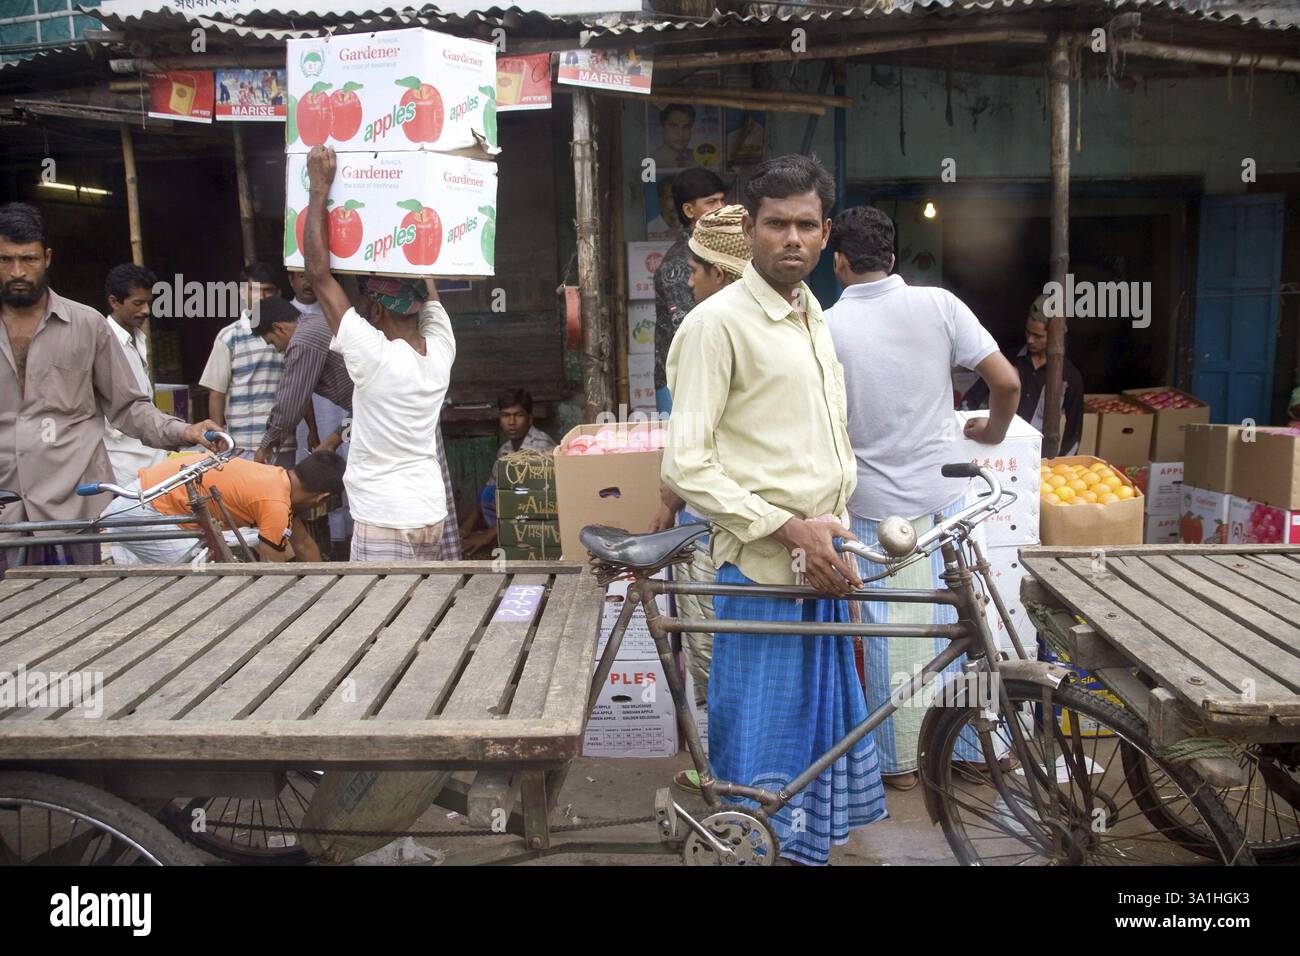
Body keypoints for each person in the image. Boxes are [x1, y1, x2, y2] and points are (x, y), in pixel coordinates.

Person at [662, 155, 886, 866]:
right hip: (763, 574)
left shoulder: (812, 313)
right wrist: (789, 526)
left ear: (826, 236)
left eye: (806, 224)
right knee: (760, 757)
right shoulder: (716, 324)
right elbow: (686, 465)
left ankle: (792, 857)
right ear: (751, 232)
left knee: (814, 752)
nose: (792, 238)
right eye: (776, 224)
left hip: (821, 566)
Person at [826, 205, 1021, 790]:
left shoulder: (824, 327)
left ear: (837, 261)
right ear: (892, 258)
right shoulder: (941, 305)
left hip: (875, 510)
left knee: (894, 635)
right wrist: (989, 433)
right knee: (965, 622)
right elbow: (1007, 383)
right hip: (948, 498)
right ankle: (972, 751)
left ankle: (902, 763)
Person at [0, 202, 220, 573]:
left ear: (47, 258)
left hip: (72, 508)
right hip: (5, 514)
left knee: (81, 617)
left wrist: (184, 430)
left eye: (29, 259)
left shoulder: (87, 326)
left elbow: (129, 408)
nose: (18, 271)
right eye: (5, 260)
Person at [303, 145, 456, 562]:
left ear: (375, 309)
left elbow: (318, 274)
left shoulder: (374, 356)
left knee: (381, 622)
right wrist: (418, 217)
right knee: (423, 615)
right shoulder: (440, 350)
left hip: (386, 516)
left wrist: (319, 187)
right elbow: (430, 293)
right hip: (429, 514)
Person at [648, 203, 751, 794]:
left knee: (712, 654)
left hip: (716, 522)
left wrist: (665, 505)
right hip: (759, 522)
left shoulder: (705, 330)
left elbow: (687, 446)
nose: (688, 280)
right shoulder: (775, 320)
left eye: (696, 269)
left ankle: (722, 777)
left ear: (720, 272)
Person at [253, 271, 463, 561]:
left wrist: (266, 445)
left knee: (381, 595)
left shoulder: (307, 340)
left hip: (389, 512)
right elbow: (361, 408)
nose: (275, 349)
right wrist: (331, 439)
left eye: (270, 343)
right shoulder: (437, 349)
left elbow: (289, 402)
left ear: (277, 329)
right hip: (425, 503)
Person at [100, 450, 344, 564]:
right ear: (320, 498)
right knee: (203, 578)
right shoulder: (276, 504)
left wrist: (324, 584)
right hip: (143, 511)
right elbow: (272, 571)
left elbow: (302, 543)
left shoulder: (276, 478)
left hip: (142, 496)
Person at [962, 294, 1085, 455]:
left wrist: (1060, 465)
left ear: (1057, 336)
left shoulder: (1070, 377)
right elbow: (972, 399)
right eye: (1028, 333)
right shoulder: (1007, 361)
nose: (1030, 340)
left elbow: (1074, 432)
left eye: (1038, 336)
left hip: (1035, 455)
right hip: (996, 448)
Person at [286, 268, 353, 558]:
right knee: (319, 482)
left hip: (348, 414)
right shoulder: (289, 319)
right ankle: (330, 547)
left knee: (351, 474)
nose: (306, 281)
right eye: (299, 275)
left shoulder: (340, 313)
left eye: (310, 274)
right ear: (290, 279)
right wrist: (313, 431)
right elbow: (298, 387)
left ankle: (348, 543)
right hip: (312, 419)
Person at [199, 262, 293, 466]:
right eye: (254, 290)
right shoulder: (229, 336)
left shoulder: (291, 333)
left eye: (268, 291)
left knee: (284, 497)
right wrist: (219, 435)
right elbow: (217, 391)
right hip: (243, 444)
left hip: (283, 442)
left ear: (278, 293)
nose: (261, 297)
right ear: (242, 292)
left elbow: (299, 386)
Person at [653, 167, 726, 413]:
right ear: (688, 210)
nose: (721, 207)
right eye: (711, 202)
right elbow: (689, 327)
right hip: (680, 382)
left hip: (715, 376)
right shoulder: (678, 262)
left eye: (722, 200)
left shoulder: (719, 252)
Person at [459, 388, 555, 558]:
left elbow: (530, 504)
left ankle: (502, 538)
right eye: (505, 415)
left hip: (540, 515)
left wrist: (484, 537)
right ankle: (498, 536)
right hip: (514, 512)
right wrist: (465, 529)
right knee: (488, 493)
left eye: (518, 415)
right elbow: (489, 488)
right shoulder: (505, 450)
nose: (511, 422)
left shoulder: (541, 447)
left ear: (529, 418)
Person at [102, 263, 168, 485]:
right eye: (138, 303)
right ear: (114, 302)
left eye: (149, 302)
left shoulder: (138, 340)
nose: (146, 311)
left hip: (152, 459)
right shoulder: (102, 342)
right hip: (122, 465)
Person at [649, 103, 697, 169]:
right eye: (673, 126)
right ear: (662, 128)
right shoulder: (651, 159)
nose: (680, 134)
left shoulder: (699, 159)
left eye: (686, 127)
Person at [645, 175, 682, 241]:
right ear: (660, 201)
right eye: (671, 198)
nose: (676, 202)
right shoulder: (647, 230)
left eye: (680, 197)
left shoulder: (693, 229)